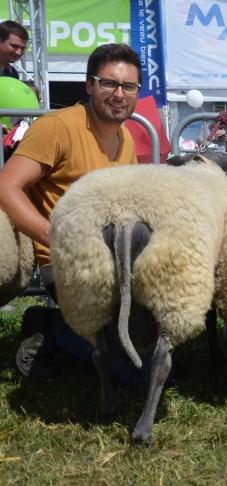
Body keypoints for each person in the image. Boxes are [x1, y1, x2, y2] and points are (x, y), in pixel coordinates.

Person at [0, 43, 142, 381]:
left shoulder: (126, 139)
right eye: (109, 83)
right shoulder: (58, 127)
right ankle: (50, 327)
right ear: (89, 85)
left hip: (114, 261)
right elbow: (7, 187)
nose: (119, 94)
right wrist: (54, 235)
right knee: (136, 371)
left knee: (152, 354)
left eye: (128, 86)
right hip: (66, 262)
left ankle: (85, 332)